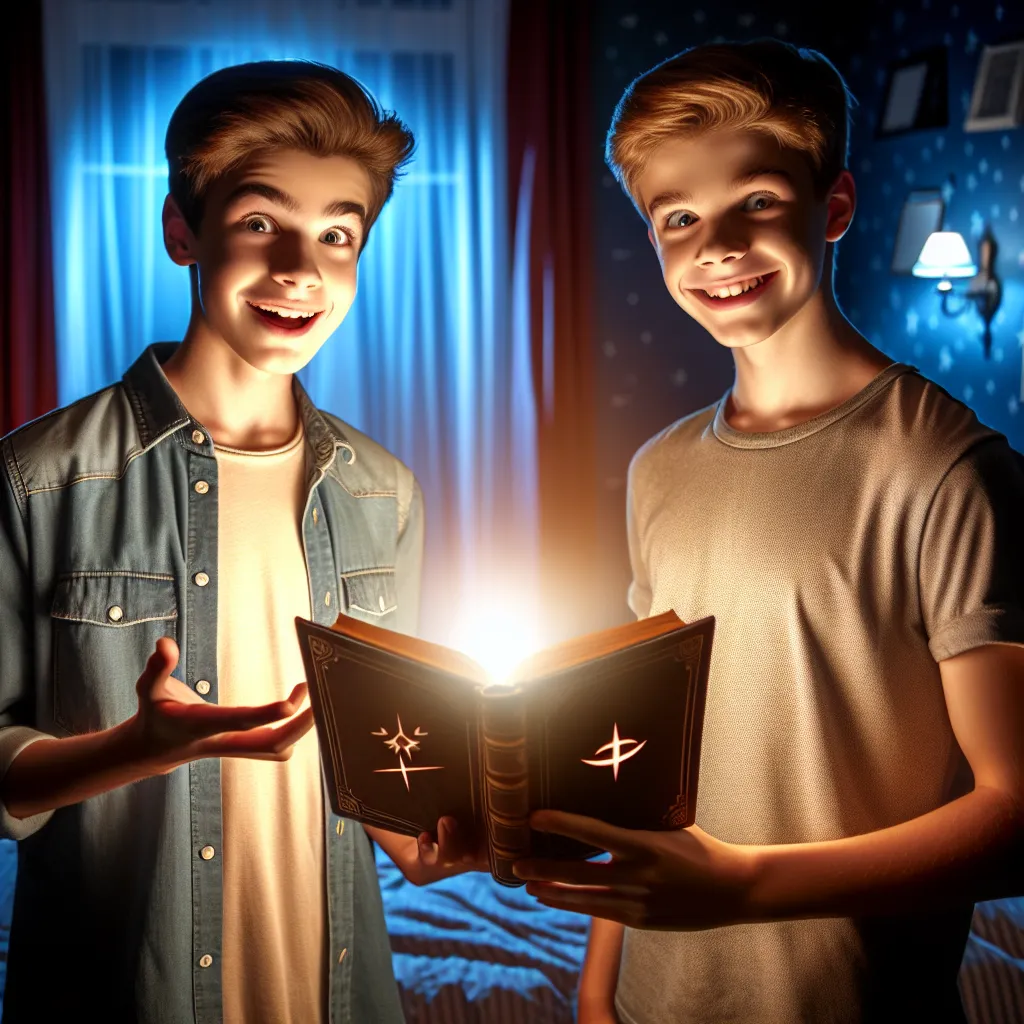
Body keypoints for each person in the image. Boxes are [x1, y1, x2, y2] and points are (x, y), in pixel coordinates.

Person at [511, 39, 1024, 1024]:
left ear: (832, 206)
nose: (715, 245)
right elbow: (646, 758)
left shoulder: (946, 468)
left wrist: (746, 884)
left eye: (754, 200)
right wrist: (597, 982)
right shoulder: (657, 469)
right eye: (678, 217)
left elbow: (1014, 813)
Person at [0, 60, 480, 1023]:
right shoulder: (38, 478)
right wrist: (135, 749)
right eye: (262, 221)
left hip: (338, 987)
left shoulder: (384, 491)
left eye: (337, 233)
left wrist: (421, 836)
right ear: (184, 230)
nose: (301, 267)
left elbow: (376, 755)